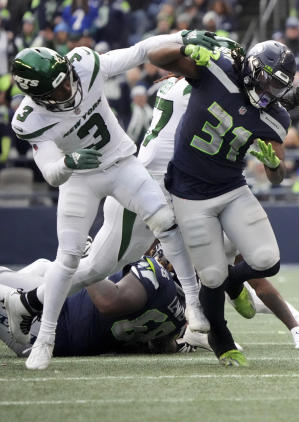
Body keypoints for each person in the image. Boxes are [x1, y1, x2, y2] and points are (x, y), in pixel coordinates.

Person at [4, 56, 299, 360]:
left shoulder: (189, 86)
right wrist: (292, 98)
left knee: (213, 251)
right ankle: (25, 302)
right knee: (94, 270)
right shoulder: (202, 89)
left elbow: (246, 102)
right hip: (143, 192)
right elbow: (247, 103)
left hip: (166, 189)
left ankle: (202, 317)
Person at [8, 30, 222, 370]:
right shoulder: (29, 119)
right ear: (38, 96)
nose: (67, 90)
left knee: (165, 222)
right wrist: (68, 163)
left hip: (121, 162)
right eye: (57, 90)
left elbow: (140, 51)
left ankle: (194, 303)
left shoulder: (85, 64)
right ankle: (45, 338)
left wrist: (184, 37)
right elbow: (49, 172)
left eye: (66, 81)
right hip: (80, 177)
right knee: (69, 257)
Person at [146, 40, 299, 365]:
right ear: (253, 70)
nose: (270, 91)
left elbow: (277, 177)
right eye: (267, 80)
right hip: (189, 191)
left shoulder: (275, 116)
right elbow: (155, 56)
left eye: (278, 86)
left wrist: (273, 164)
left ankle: (234, 282)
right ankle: (221, 339)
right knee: (211, 277)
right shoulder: (217, 71)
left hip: (231, 187)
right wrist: (184, 46)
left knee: (267, 259)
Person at [0, 256, 187, 358]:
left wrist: (87, 259)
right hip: (68, 340)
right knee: (44, 266)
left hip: (46, 322)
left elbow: (107, 302)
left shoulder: (156, 275)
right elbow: (161, 347)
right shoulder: (178, 317)